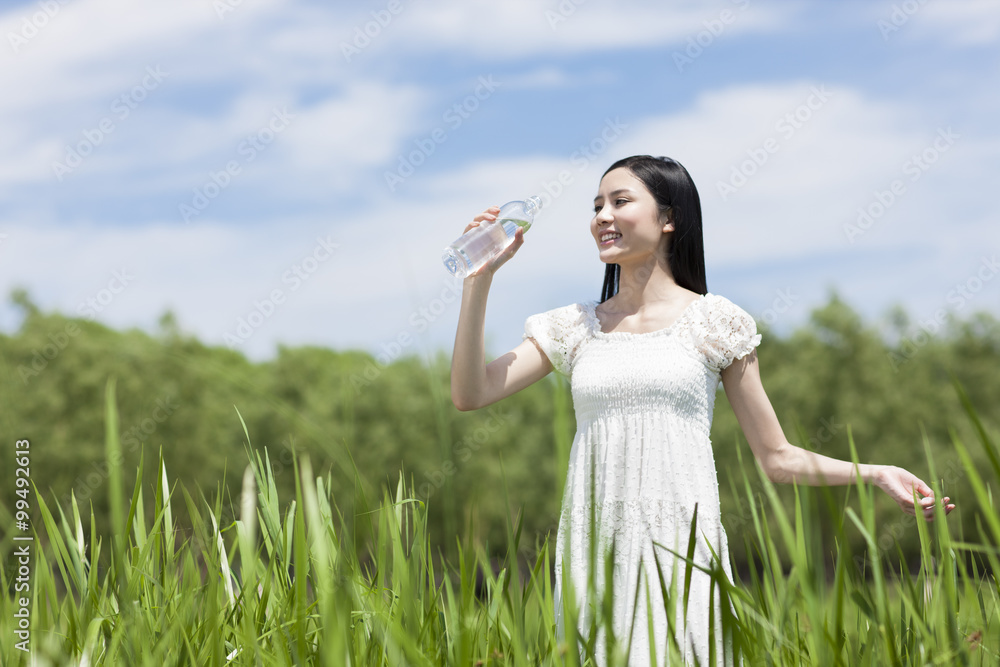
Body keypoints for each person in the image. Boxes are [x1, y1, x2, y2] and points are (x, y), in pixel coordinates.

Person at [449, 155, 954, 666]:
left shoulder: (716, 322)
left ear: (669, 218)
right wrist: (478, 281)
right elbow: (471, 392)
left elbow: (778, 458)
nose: (601, 215)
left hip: (681, 549)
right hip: (595, 551)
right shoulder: (573, 327)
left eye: (619, 201)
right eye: (597, 205)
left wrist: (873, 473)